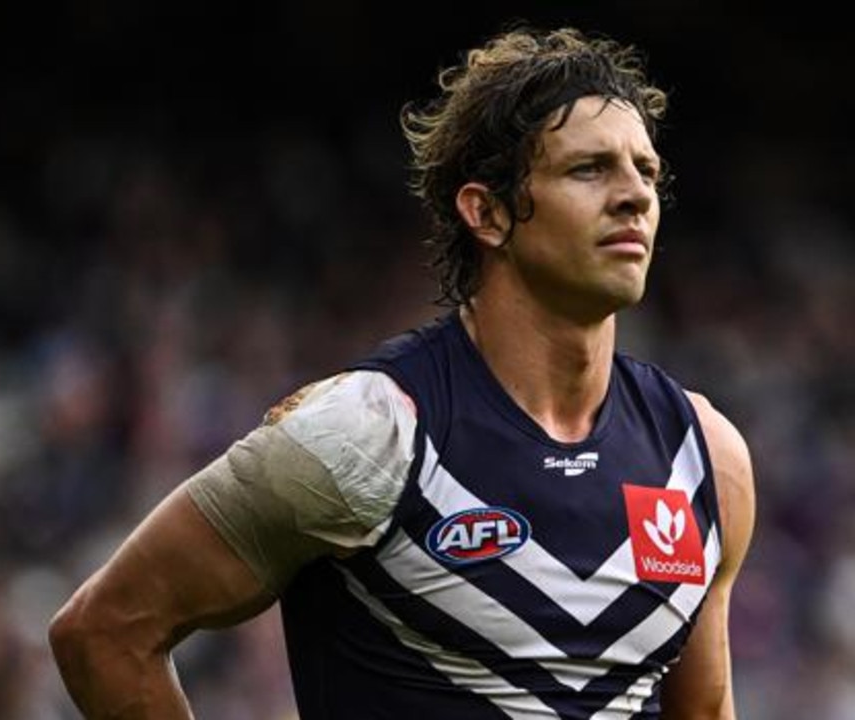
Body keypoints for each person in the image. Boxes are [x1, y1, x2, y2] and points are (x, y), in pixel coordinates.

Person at [49, 24, 756, 719]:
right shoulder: (366, 432)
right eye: (588, 168)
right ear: (488, 213)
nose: (635, 195)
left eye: (647, 171)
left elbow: (704, 708)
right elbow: (105, 633)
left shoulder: (704, 457)